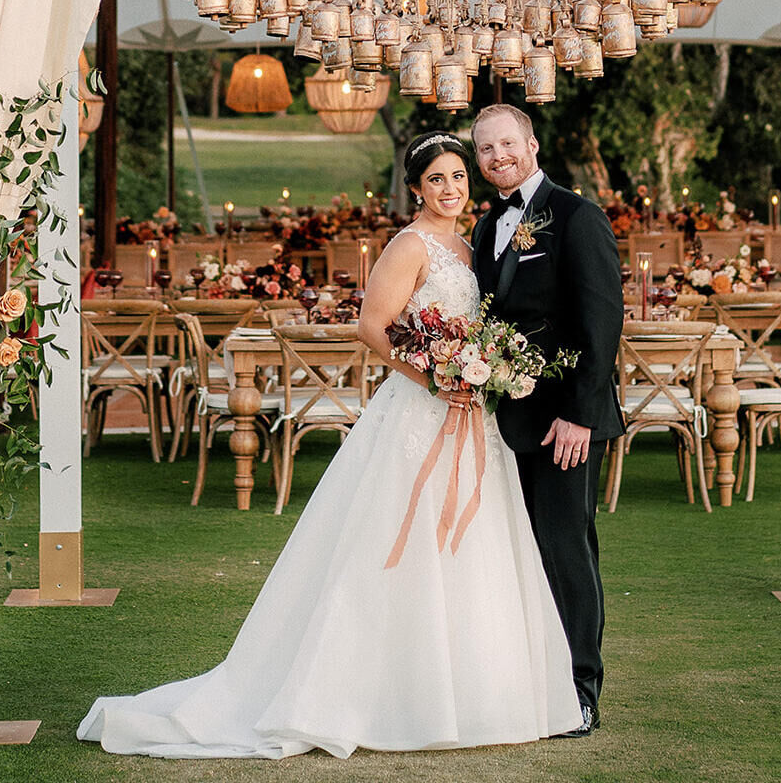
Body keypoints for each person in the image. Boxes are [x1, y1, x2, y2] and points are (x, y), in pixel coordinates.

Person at [77, 131, 580, 759]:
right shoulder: (409, 244)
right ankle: (374, 695)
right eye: (436, 180)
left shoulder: (471, 242)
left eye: (458, 177)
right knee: (397, 548)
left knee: (475, 548)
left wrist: (478, 371)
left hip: (471, 417)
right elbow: (373, 327)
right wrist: (439, 378)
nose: (451, 189)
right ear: (416, 189)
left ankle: (472, 694)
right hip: (419, 413)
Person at [471, 104, 625, 738]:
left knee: (565, 552)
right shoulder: (485, 229)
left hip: (565, 425)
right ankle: (526, 682)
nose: (497, 156)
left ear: (532, 144)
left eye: (508, 143)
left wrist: (579, 417)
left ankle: (581, 690)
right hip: (500, 422)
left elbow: (600, 322)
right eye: (485, 149)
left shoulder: (576, 217)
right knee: (514, 556)